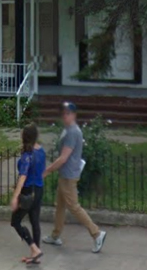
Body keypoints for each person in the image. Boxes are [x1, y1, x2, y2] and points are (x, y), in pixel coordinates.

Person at [45, 101, 106, 253]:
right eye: (63, 113)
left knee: (73, 206)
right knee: (60, 206)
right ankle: (55, 235)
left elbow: (63, 157)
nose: (64, 116)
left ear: (73, 115)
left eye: (67, 113)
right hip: (65, 174)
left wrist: (47, 171)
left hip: (69, 175)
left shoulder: (72, 132)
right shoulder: (68, 129)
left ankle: (96, 233)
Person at [9, 123, 45, 265]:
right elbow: (42, 171)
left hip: (28, 191)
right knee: (35, 221)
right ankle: (36, 254)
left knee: (15, 222)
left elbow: (23, 176)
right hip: (39, 189)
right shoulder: (41, 151)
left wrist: (15, 197)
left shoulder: (27, 155)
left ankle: (34, 248)